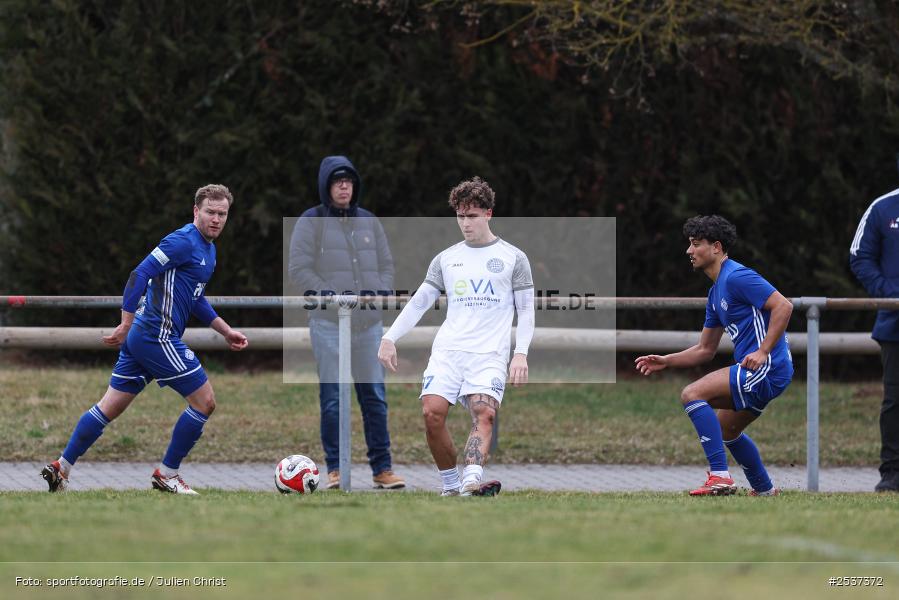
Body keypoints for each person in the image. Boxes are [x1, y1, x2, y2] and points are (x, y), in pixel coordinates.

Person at [41, 184, 248, 495]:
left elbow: (195, 299)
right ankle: (167, 474)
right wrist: (125, 323)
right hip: (155, 335)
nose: (216, 219)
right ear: (196, 211)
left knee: (108, 407)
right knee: (205, 402)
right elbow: (139, 274)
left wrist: (225, 329)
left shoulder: (209, 250)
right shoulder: (182, 241)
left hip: (144, 337)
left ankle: (61, 468)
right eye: (210, 212)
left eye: (222, 214)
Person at [378, 176, 535, 496]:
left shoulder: (514, 258)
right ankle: (451, 484)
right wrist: (389, 337)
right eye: (460, 216)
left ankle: (471, 480)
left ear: (488, 214)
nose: (466, 223)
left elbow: (527, 310)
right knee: (431, 414)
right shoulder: (446, 259)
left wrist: (521, 353)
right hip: (449, 352)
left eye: (472, 216)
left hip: (489, 354)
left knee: (485, 412)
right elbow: (420, 301)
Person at [635, 215, 793, 496]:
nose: (689, 251)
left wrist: (762, 350)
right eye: (689, 244)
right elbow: (705, 349)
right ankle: (765, 490)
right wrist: (666, 360)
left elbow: (783, 306)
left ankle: (720, 477)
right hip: (768, 370)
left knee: (692, 394)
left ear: (716, 247)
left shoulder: (737, 277)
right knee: (725, 431)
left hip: (766, 366)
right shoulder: (714, 292)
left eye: (696, 244)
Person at [288, 156, 404, 490]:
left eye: (349, 181)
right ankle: (336, 469)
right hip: (328, 324)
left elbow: (386, 266)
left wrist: (376, 293)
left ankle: (382, 470)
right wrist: (333, 297)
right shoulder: (311, 221)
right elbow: (299, 270)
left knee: (375, 398)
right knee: (334, 398)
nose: (343, 185)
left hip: (369, 327)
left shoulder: (369, 221)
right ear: (326, 185)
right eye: (337, 180)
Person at [850, 187, 899, 492]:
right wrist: (889, 294)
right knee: (895, 401)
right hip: (895, 324)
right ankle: (893, 473)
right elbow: (860, 256)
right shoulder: (883, 208)